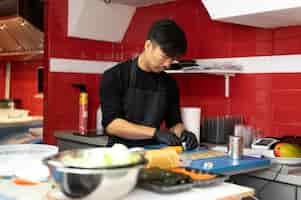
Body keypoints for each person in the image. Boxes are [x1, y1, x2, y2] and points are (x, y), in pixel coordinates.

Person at [100, 19, 198, 150]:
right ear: (148, 46)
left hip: (153, 154)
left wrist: (184, 134)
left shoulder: (169, 83)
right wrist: (154, 133)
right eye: (164, 56)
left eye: (173, 59)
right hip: (120, 155)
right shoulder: (115, 76)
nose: (167, 64)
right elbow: (112, 125)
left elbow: (174, 123)